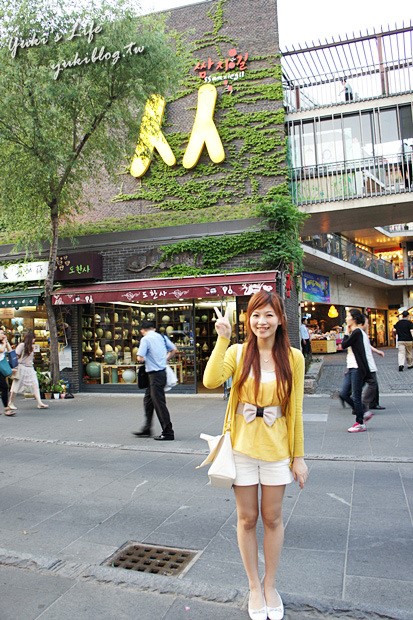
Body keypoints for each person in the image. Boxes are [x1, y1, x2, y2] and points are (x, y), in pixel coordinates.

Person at [203, 291, 307, 620]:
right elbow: (210, 380)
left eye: (268, 315)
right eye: (256, 315)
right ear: (248, 320)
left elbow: (296, 410)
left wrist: (298, 456)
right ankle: (253, 586)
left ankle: (270, 585)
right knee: (247, 519)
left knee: (272, 518)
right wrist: (222, 338)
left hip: (277, 451)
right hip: (241, 450)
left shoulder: (294, 358)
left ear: (280, 320)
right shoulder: (238, 352)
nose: (262, 322)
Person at [133, 320, 177, 441]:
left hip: (154, 375)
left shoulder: (145, 339)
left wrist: (146, 358)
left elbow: (140, 358)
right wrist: (165, 359)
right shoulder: (162, 337)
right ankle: (147, 428)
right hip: (161, 373)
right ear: (154, 328)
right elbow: (174, 349)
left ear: (143, 330)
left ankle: (168, 432)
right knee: (148, 400)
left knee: (159, 403)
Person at [339, 309, 372, 433]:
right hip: (351, 367)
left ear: (353, 319)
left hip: (357, 368)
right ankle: (363, 412)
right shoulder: (354, 332)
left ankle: (360, 423)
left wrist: (346, 332)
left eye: (348, 316)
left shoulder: (357, 332)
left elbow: (343, 345)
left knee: (356, 396)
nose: (346, 318)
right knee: (343, 393)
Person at [8, 332, 49, 411]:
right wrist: (14, 367)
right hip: (21, 367)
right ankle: (10, 403)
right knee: (16, 386)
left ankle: (39, 403)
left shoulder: (31, 347)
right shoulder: (22, 345)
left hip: (30, 368)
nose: (34, 340)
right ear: (30, 338)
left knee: (35, 384)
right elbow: (15, 356)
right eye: (33, 338)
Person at [360, 317, 385, 413]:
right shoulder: (359, 333)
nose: (368, 324)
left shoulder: (362, 334)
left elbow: (367, 345)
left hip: (366, 362)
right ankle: (365, 404)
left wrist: (377, 351)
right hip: (365, 363)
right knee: (373, 383)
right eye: (367, 322)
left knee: (368, 383)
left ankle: (370, 403)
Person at [0, 328, 15, 416]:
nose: (3, 335)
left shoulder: (3, 343)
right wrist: (5, 343)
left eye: (3, 333)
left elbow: (10, 351)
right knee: (4, 387)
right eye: (1, 333)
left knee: (4, 387)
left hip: (1, 367)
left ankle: (6, 408)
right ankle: (7, 409)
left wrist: (7, 342)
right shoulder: (2, 345)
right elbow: (1, 350)